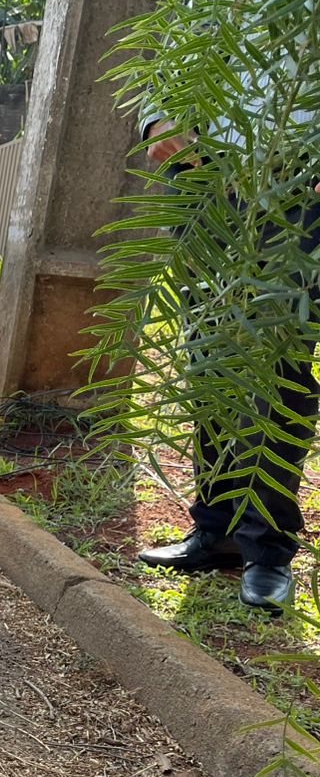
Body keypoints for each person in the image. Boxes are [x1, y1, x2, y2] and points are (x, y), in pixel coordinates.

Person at [133, 128, 320, 609]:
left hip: (302, 179)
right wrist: (157, 120)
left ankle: (267, 548)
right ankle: (218, 530)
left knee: (279, 366)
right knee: (207, 356)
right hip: (207, 175)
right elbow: (160, 77)